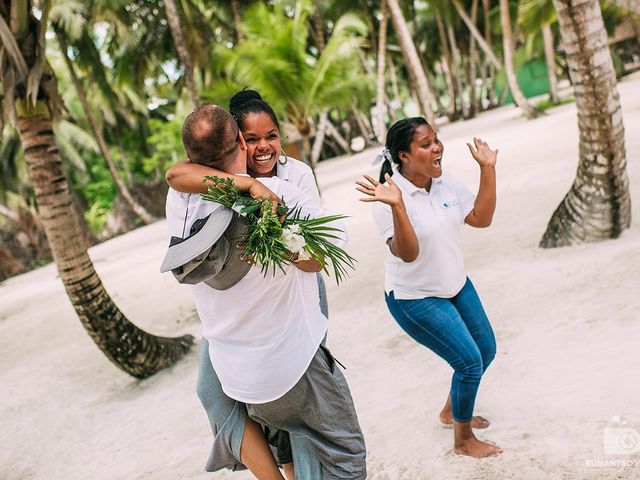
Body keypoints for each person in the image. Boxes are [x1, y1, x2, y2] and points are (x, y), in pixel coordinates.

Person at [165, 103, 366, 479]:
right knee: (345, 454)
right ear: (240, 139)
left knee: (291, 439)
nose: (262, 146)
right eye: (252, 138)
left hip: (242, 375)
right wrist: (258, 194)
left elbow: (176, 174)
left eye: (271, 136)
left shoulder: (180, 200)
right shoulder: (279, 193)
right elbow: (325, 255)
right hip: (289, 365)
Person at [355, 117, 503, 458]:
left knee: (486, 350)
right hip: (414, 297)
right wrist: (398, 207)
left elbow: (481, 218)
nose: (437, 148)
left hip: (455, 284)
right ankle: (463, 440)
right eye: (426, 144)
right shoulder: (388, 195)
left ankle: (452, 412)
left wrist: (488, 170)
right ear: (404, 156)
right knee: (469, 362)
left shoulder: (445, 181)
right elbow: (408, 254)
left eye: (437, 140)